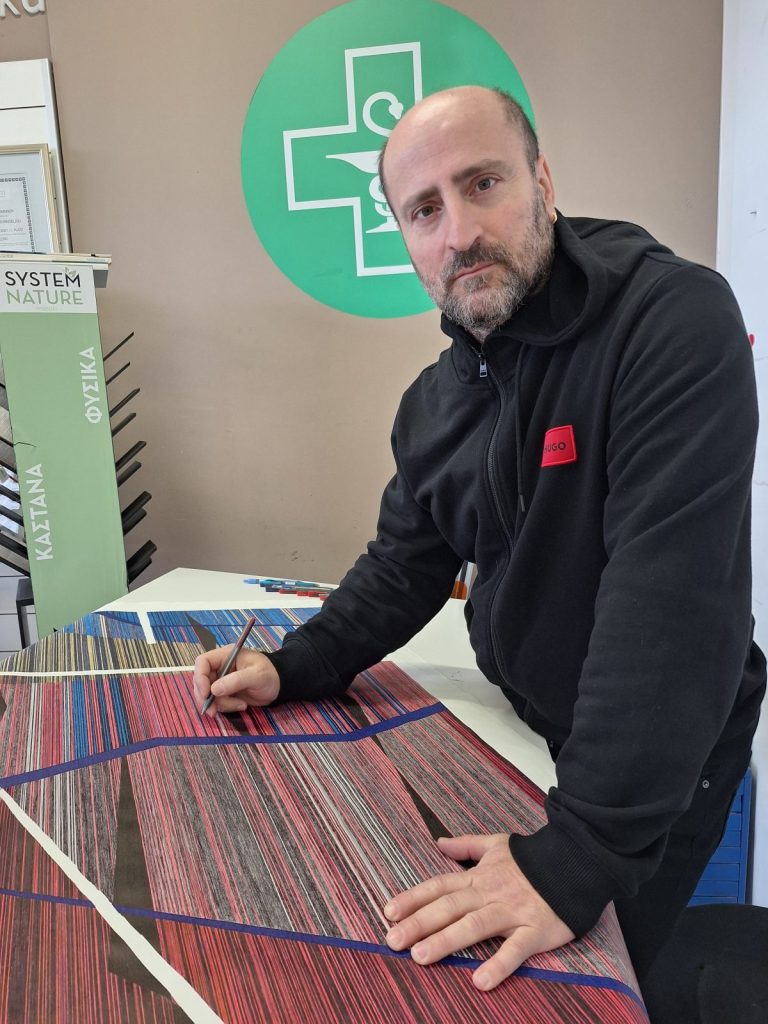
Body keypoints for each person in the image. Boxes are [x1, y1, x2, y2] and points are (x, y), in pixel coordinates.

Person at [193, 85, 766, 995]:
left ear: (543, 181)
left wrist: (579, 856)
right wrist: (295, 666)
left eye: (483, 183)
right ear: (405, 236)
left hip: (668, 749)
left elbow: (671, 609)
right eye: (424, 210)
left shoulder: (671, 321)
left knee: (590, 989)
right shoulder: (436, 400)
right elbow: (402, 565)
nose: (459, 232)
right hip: (534, 724)